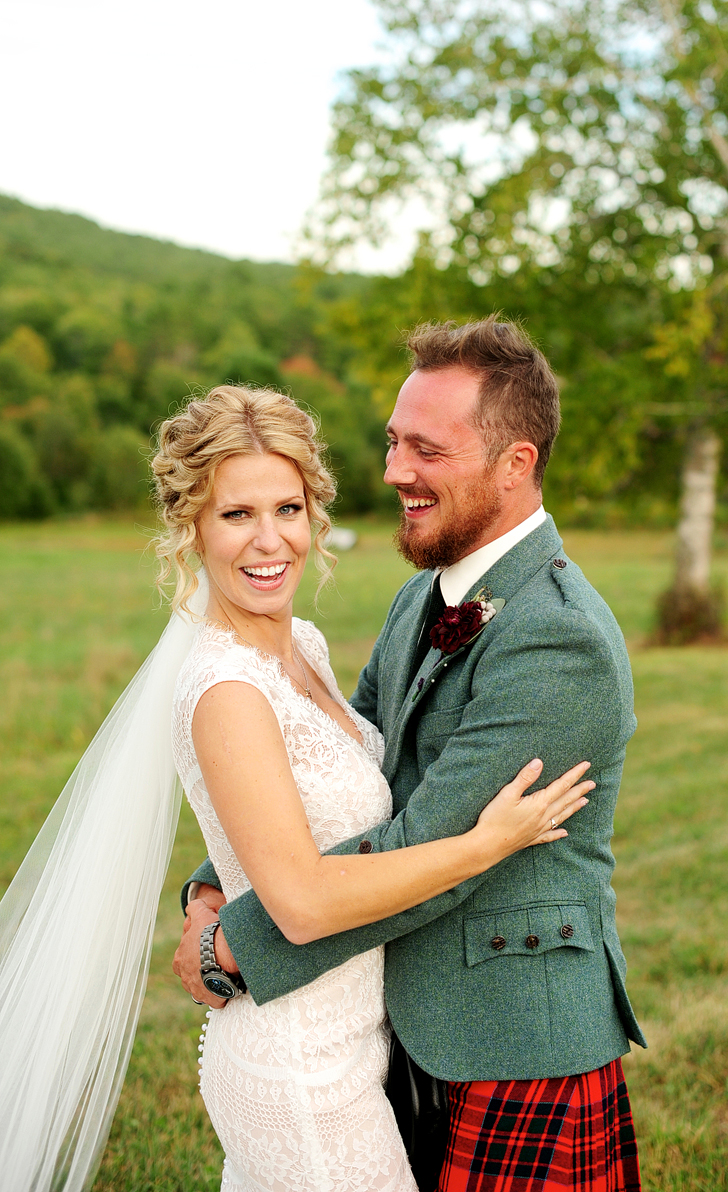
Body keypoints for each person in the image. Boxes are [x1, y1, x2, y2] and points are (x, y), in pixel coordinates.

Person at [0, 383, 590, 1192]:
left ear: (315, 512)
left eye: (287, 507)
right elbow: (303, 902)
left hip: (355, 1044)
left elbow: (311, 802)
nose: (267, 540)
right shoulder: (226, 689)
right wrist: (483, 843)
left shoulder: (301, 647)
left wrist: (210, 895)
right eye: (236, 515)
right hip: (299, 1065)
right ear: (191, 528)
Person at [177, 317, 647, 1192]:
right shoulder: (419, 597)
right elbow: (340, 763)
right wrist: (218, 878)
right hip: (406, 1032)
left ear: (516, 464)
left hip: (515, 1045)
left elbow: (437, 848)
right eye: (396, 443)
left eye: (426, 450)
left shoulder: (561, 640)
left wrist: (234, 943)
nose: (394, 471)